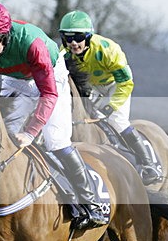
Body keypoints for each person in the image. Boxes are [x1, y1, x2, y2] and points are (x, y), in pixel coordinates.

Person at [0, 1, 109, 229]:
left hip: (51, 77)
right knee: (5, 138)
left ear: (5, 36)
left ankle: (92, 202)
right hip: (16, 79)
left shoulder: (32, 44)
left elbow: (48, 93)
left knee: (55, 140)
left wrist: (31, 132)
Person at [58, 10, 162, 185]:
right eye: (68, 38)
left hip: (116, 85)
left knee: (117, 120)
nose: (74, 43)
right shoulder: (64, 54)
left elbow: (126, 83)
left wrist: (112, 105)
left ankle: (148, 165)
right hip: (92, 87)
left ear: (88, 36)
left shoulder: (108, 50)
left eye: (78, 37)